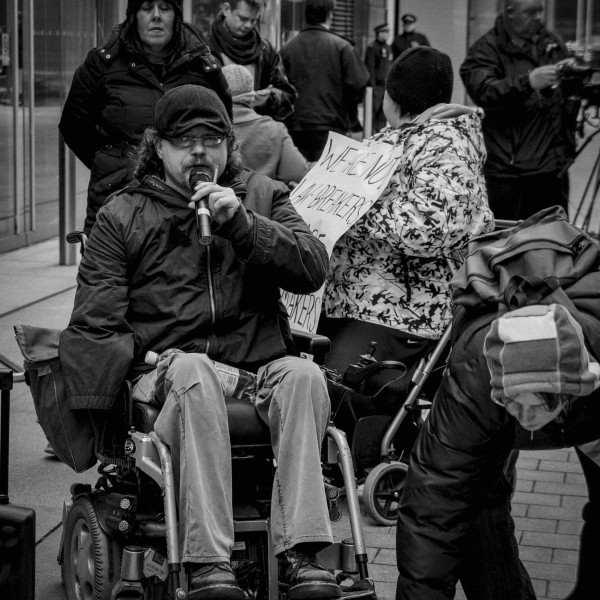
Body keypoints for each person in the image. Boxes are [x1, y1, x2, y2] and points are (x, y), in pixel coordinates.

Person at [59, 84, 341, 600]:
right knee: (193, 372)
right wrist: (136, 363)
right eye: (184, 140)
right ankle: (210, 562)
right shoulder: (123, 213)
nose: (198, 152)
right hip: (169, 372)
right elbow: (95, 319)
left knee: (304, 375)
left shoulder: (261, 196)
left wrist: (244, 226)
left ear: (229, 145)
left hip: (257, 368)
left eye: (211, 139)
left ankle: (302, 554)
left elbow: (312, 266)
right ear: (158, 147)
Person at [395, 300, 600, 600]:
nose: (527, 419)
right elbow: (431, 514)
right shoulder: (473, 381)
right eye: (515, 401)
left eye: (539, 404)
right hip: (487, 401)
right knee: (472, 505)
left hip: (588, 407)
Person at [318, 46, 493, 388]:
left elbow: (428, 228)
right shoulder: (388, 139)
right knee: (296, 366)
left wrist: (348, 212)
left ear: (393, 97)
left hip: (403, 311)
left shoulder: (447, 145)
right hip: (352, 300)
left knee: (336, 388)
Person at [58, 0, 231, 236]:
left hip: (185, 198)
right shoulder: (102, 64)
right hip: (117, 193)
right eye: (147, 8)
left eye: (165, 8)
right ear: (133, 15)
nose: (156, 16)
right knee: (108, 267)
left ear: (177, 16)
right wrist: (112, 161)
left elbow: (224, 130)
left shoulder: (204, 66)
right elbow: (74, 125)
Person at [459, 0, 579, 221]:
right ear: (510, 12)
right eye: (530, 13)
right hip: (508, 174)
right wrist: (528, 82)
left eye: (540, 12)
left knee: (554, 243)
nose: (538, 18)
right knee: (507, 244)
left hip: (551, 169)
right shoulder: (486, 49)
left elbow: (566, 91)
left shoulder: (550, 43)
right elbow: (484, 91)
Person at [281, 0, 369, 162]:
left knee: (300, 179)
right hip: (332, 125)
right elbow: (358, 84)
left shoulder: (287, 48)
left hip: (295, 126)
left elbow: (279, 86)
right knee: (329, 180)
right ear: (330, 16)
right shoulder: (343, 46)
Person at [207, 0, 297, 121]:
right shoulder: (204, 48)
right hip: (216, 129)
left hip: (255, 130)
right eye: (243, 18)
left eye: (253, 20)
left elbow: (288, 95)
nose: (248, 25)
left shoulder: (265, 50)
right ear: (226, 9)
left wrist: (269, 98)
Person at [221, 63, 308, 186]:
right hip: (264, 202)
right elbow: (297, 173)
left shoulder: (210, 129)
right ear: (252, 94)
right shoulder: (275, 129)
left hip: (218, 202)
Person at [364, 23, 393, 134]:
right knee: (373, 113)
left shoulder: (388, 47)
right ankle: (372, 135)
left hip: (385, 86)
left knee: (383, 113)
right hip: (376, 87)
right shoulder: (372, 48)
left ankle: (380, 134)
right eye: (385, 32)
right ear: (379, 33)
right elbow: (370, 68)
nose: (387, 35)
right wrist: (372, 86)